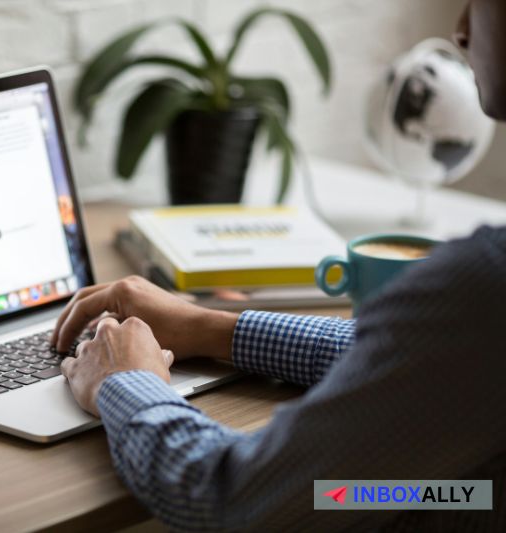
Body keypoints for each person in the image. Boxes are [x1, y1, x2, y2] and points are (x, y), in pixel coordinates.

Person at [53, 1, 506, 530]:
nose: (460, 30)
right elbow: (435, 360)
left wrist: (124, 381)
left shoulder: (483, 284)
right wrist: (213, 327)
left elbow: (234, 501)